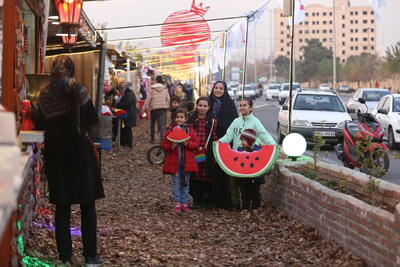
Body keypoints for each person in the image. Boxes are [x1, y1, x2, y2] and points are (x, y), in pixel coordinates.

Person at [35, 55, 104, 265]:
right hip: (81, 152)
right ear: (72, 70)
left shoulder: (44, 94)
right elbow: (92, 120)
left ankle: (65, 256)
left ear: (51, 71)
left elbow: (41, 123)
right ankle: (90, 256)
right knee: (87, 205)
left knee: (62, 206)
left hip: (57, 153)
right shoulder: (80, 90)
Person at [218, 98, 276, 210]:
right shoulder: (236, 121)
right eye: (240, 105)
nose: (242, 107)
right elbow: (228, 136)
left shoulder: (255, 122)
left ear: (250, 108)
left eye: (245, 105)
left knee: (248, 185)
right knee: (233, 181)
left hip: (252, 155)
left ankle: (250, 205)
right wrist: (219, 142)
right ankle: (236, 204)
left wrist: (273, 147)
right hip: (236, 155)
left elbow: (264, 135)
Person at [161, 108, 199, 213]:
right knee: (176, 183)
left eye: (181, 117)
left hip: (187, 163)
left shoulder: (190, 131)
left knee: (185, 184)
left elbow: (196, 144)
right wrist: (171, 146)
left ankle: (184, 203)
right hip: (175, 163)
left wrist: (188, 144)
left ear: (186, 118)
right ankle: (177, 203)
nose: (179, 119)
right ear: (174, 118)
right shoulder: (170, 130)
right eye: (177, 117)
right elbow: (164, 145)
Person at [209, 81, 238, 209]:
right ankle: (210, 199)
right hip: (209, 141)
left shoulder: (229, 104)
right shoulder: (208, 102)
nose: (218, 90)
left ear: (225, 90)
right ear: (213, 89)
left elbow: (233, 123)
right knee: (210, 169)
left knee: (224, 171)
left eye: (221, 88)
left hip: (225, 142)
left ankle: (225, 200)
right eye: (216, 88)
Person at [187, 97, 218, 208]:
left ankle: (204, 200)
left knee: (206, 176)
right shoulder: (190, 119)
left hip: (207, 152)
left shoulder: (212, 120)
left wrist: (215, 152)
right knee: (194, 176)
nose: (202, 108)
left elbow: (214, 137)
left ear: (209, 107)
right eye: (200, 105)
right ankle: (196, 200)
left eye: (205, 106)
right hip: (193, 151)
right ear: (197, 106)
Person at [236, 129, 266, 210]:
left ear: (250, 141)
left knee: (255, 192)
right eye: (242, 140)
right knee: (244, 193)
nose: (242, 142)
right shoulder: (240, 150)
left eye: (245, 140)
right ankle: (245, 209)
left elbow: (263, 160)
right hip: (244, 176)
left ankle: (255, 208)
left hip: (256, 176)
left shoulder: (258, 150)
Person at [144, 75, 170, 143]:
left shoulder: (152, 88)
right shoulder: (165, 88)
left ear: (156, 80)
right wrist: (167, 106)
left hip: (154, 109)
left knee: (152, 124)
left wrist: (145, 106)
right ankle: (162, 140)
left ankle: (152, 139)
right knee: (162, 126)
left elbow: (149, 98)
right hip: (163, 109)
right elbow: (168, 98)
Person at [115, 80, 137, 147]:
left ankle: (128, 144)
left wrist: (118, 105)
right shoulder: (129, 93)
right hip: (130, 114)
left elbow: (127, 104)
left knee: (127, 129)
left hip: (129, 114)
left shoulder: (128, 94)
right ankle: (127, 143)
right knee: (127, 129)